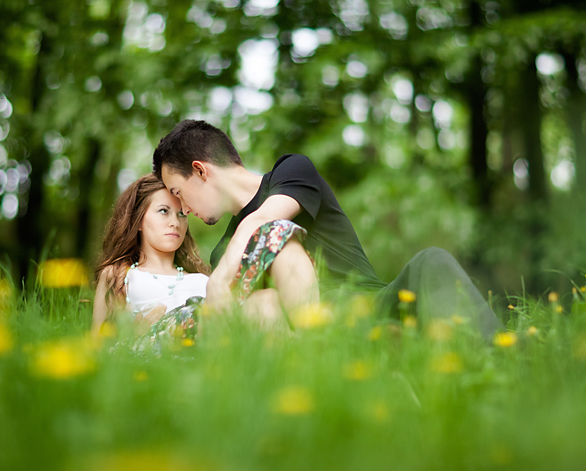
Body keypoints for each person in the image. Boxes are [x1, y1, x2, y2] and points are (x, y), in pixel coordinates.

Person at [153, 120, 501, 339]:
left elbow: (266, 222)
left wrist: (220, 278)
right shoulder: (223, 249)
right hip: (310, 336)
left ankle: (495, 358)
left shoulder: (290, 172)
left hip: (375, 308)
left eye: (180, 194)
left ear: (201, 170)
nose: (183, 209)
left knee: (432, 260)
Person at [91, 174, 210, 338]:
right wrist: (138, 334)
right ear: (138, 220)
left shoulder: (204, 280)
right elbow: (99, 351)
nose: (175, 222)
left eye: (181, 213)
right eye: (163, 211)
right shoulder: (118, 276)